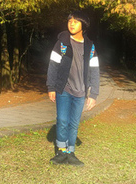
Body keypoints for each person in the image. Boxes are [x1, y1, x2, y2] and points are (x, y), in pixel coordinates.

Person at [46, 11, 100, 166]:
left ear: (83, 24)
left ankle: (71, 153)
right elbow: (53, 65)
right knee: (62, 120)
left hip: (81, 91)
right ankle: (61, 152)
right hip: (64, 89)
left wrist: (93, 94)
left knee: (74, 123)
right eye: (69, 20)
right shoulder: (62, 43)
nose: (71, 23)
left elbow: (95, 70)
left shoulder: (90, 46)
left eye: (76, 21)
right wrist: (51, 86)